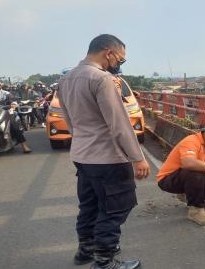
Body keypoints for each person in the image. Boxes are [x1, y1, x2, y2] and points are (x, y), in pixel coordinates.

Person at [57, 34, 149, 269]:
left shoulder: (66, 79)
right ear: (109, 53)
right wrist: (138, 157)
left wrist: (82, 142)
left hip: (82, 155)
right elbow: (119, 123)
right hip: (107, 158)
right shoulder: (101, 78)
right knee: (116, 207)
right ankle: (104, 261)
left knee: (89, 205)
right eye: (120, 58)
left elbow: (69, 121)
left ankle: (85, 251)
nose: (119, 63)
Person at [0, 79, 32, 153]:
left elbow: (13, 101)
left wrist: (13, 104)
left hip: (5, 112)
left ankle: (24, 146)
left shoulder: (5, 93)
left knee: (14, 127)